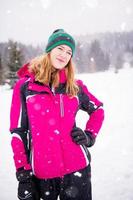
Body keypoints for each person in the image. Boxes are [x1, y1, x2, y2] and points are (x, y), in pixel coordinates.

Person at [9, 29, 104, 200]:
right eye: (60, 48)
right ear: (49, 50)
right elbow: (18, 133)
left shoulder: (74, 86)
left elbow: (98, 110)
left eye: (69, 52)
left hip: (78, 170)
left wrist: (89, 136)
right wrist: (23, 175)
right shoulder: (25, 87)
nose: (64, 54)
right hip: (43, 175)